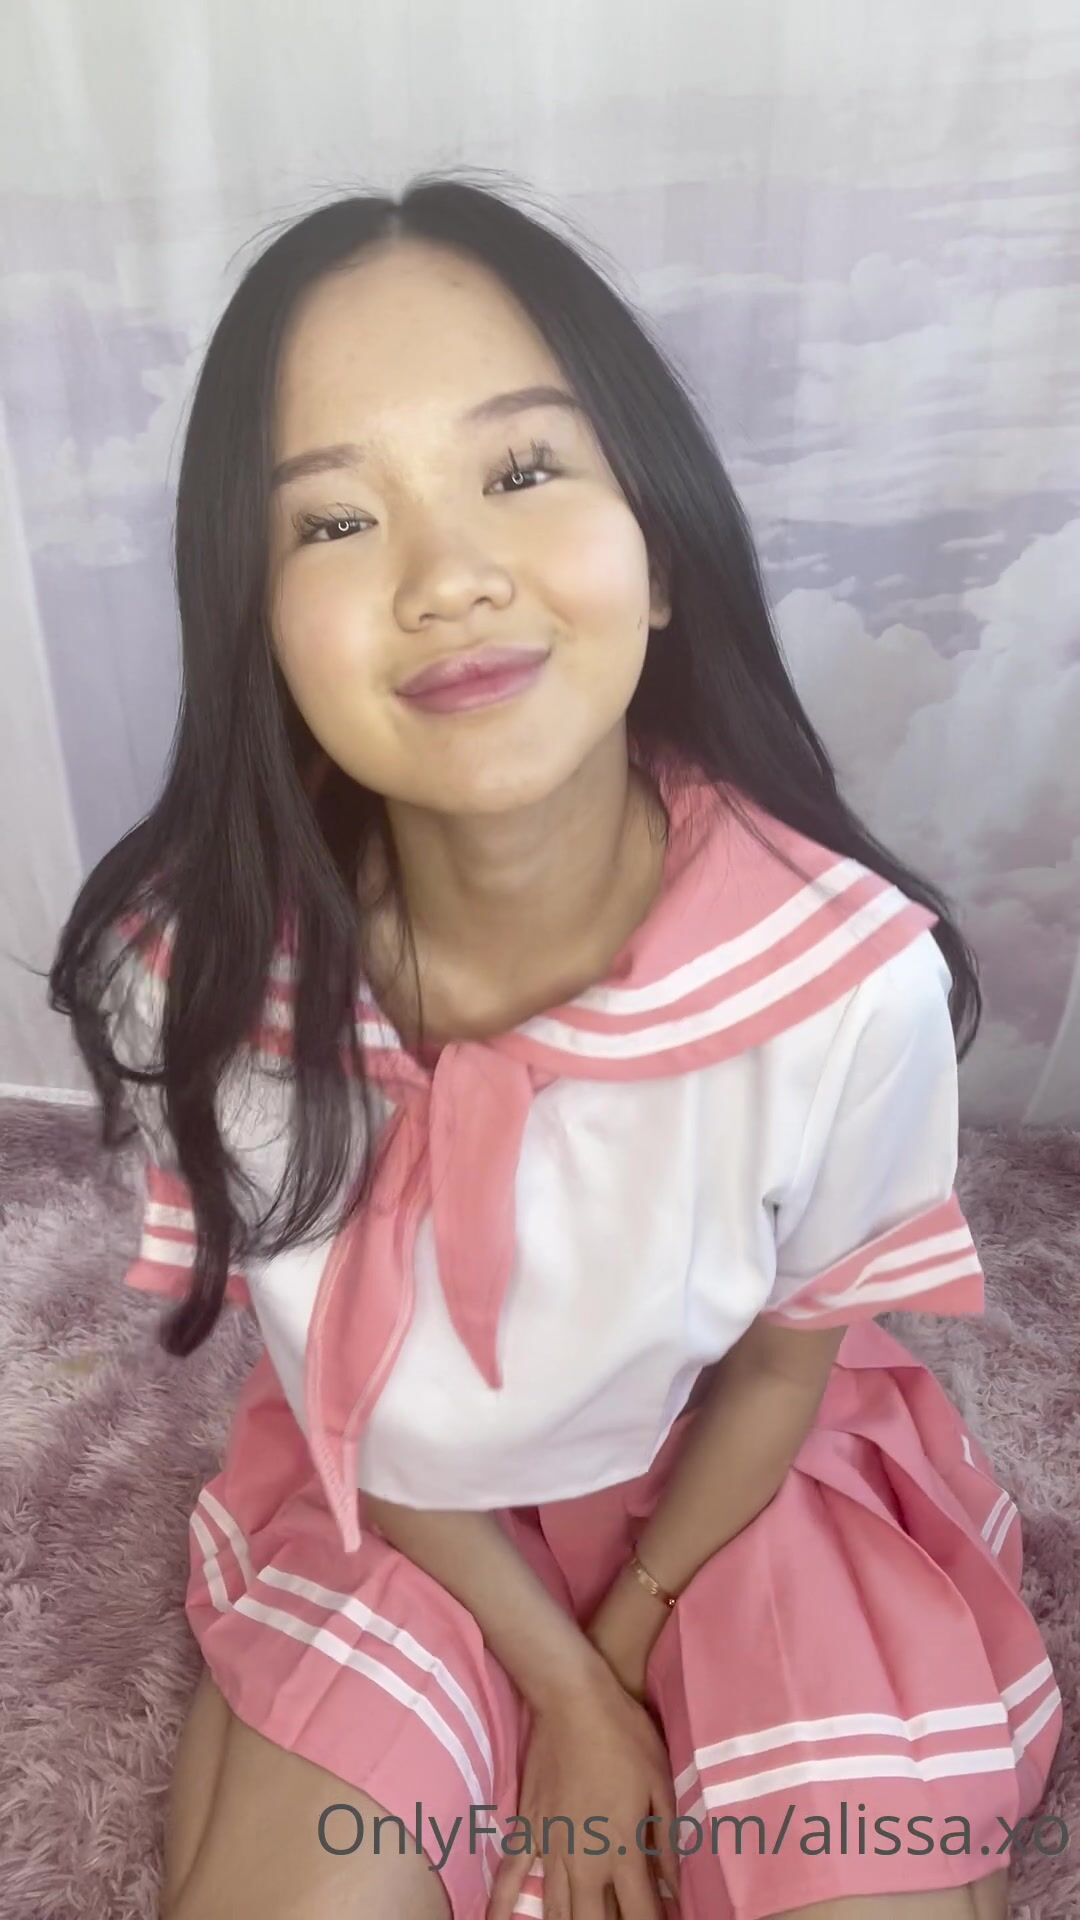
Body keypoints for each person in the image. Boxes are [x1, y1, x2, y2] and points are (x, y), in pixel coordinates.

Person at [50, 172, 1061, 1920]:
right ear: (256, 618)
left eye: (521, 472)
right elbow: (353, 1397)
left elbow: (780, 1371)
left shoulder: (844, 984)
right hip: (406, 1513)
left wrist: (638, 1628)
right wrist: (572, 1700)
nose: (450, 578)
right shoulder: (201, 982)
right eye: (334, 520)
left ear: (657, 555)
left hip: (734, 1493)